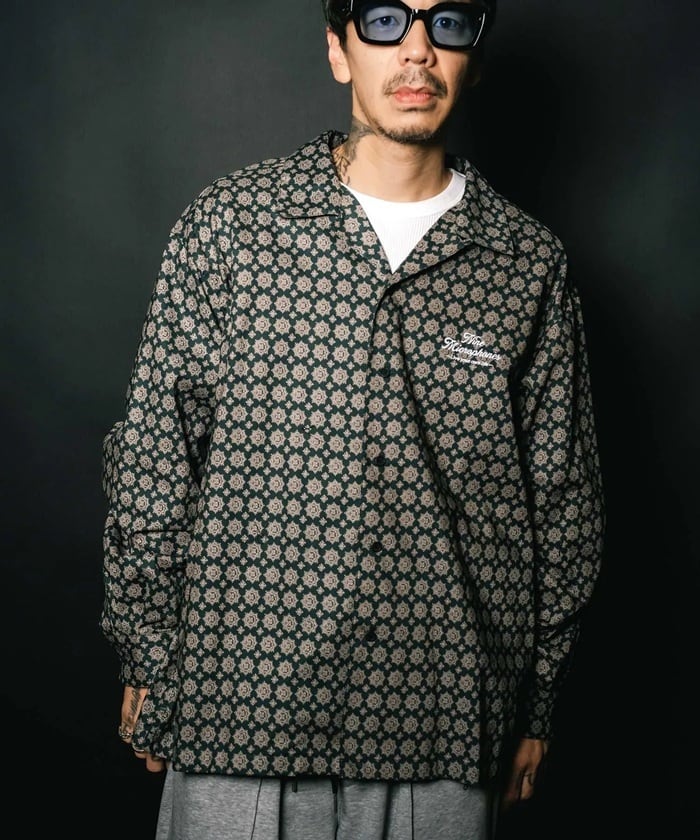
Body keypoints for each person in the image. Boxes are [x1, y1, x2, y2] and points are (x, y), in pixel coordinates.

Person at [100, 1, 605, 837]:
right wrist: (150, 651)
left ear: (474, 58)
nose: (417, 50)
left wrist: (539, 699)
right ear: (339, 50)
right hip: (241, 707)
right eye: (384, 20)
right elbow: (157, 452)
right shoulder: (233, 225)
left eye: (447, 25)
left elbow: (562, 503)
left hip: (445, 724)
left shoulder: (527, 264)